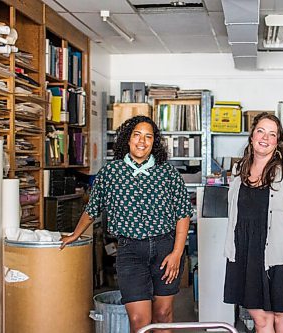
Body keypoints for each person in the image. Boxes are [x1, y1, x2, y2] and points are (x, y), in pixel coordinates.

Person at [61, 115, 192, 333]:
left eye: (148, 137)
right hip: (130, 251)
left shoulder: (168, 173)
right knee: (140, 321)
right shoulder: (111, 173)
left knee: (163, 316)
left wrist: (177, 253)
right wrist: (75, 234)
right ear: (127, 139)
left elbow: (183, 214)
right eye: (137, 135)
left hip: (165, 249)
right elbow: (92, 209)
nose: (142, 141)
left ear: (154, 142)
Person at [224, 112, 283, 333]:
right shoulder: (239, 172)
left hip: (280, 256)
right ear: (252, 136)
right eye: (260, 131)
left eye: (272, 134)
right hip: (245, 254)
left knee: (280, 317)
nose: (265, 137)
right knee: (261, 318)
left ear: (277, 142)